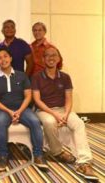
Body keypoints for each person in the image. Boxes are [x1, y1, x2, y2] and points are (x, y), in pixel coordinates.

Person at [32, 47, 98, 181]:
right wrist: (55, 115)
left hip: (63, 109)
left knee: (79, 123)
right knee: (50, 122)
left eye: (54, 55)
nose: (51, 58)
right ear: (43, 59)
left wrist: (66, 114)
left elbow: (69, 99)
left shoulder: (65, 77)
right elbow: (37, 101)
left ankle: (84, 162)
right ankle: (57, 152)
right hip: (44, 110)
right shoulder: (37, 77)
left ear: (58, 58)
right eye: (48, 56)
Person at [0, 47, 47, 172]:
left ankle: (38, 155)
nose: (3, 59)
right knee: (0, 123)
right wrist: (10, 112)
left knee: (35, 121)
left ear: (10, 58)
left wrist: (19, 111)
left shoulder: (22, 75)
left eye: (5, 56)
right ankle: (2, 156)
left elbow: (28, 96)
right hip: (3, 110)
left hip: (22, 108)